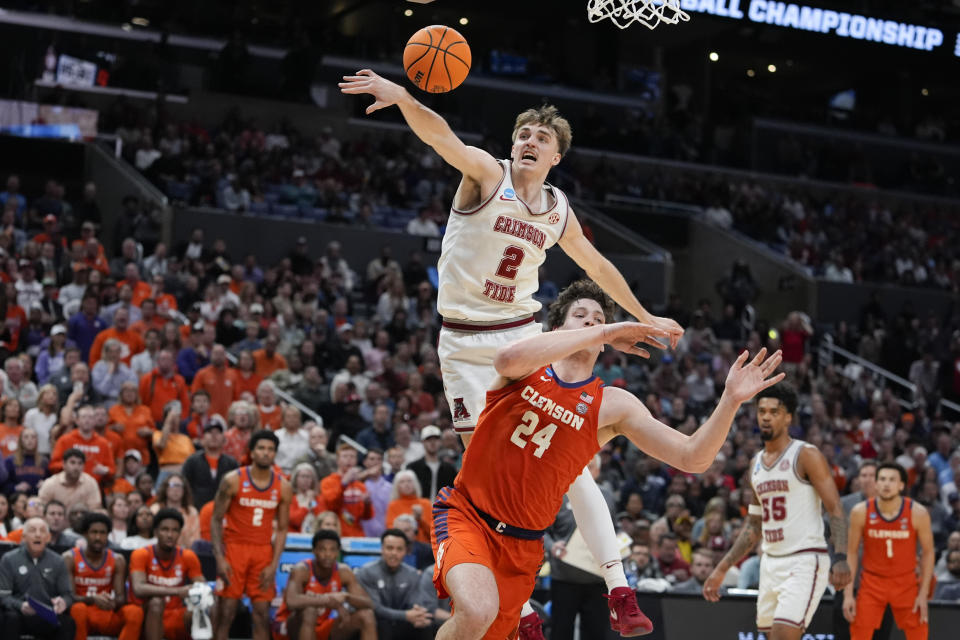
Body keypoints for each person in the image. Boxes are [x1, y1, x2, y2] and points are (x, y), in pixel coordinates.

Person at [341, 72, 684, 637]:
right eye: (522, 133)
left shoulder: (557, 210)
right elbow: (441, 137)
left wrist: (642, 316)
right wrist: (404, 98)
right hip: (462, 343)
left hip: (519, 335)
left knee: (567, 459)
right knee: (486, 473)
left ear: (555, 156)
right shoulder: (485, 175)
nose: (527, 141)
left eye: (540, 138)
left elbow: (597, 269)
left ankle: (619, 587)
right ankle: (521, 611)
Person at [428, 280, 781, 639]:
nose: (590, 322)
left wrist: (731, 400)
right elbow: (506, 359)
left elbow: (693, 458)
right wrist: (608, 329)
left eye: (597, 319)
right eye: (579, 316)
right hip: (468, 515)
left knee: (480, 628)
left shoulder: (612, 404)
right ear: (558, 329)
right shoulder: (526, 365)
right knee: (477, 610)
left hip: (523, 547)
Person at [703, 383, 852, 640]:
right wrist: (721, 568)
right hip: (770, 563)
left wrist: (840, 556)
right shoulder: (755, 464)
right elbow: (753, 526)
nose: (766, 417)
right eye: (762, 411)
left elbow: (835, 508)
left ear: (788, 417)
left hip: (804, 559)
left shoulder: (806, 454)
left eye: (774, 411)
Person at [211, 429, 292, 640]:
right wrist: (219, 558)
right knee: (226, 612)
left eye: (271, 449)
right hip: (234, 549)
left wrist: (274, 565)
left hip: (263, 551)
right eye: (261, 448)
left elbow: (282, 529)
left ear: (275, 454)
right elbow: (216, 519)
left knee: (262, 615)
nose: (266, 453)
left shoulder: (283, 486)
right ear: (252, 452)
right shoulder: (233, 480)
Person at [843, 462, 935, 640]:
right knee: (859, 633)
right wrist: (848, 595)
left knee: (919, 633)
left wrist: (923, 594)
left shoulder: (918, 513)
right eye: (882, 479)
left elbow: (929, 552)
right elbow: (852, 552)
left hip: (906, 582)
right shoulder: (860, 512)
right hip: (872, 582)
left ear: (901, 485)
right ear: (876, 484)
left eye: (892, 480)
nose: (886, 484)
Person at [273, 529, 376, 640]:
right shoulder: (302, 570)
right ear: (314, 551)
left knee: (367, 615)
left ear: (338, 552)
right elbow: (291, 602)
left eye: (332, 550)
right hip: (289, 627)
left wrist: (346, 597)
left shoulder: (343, 572)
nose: (328, 554)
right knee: (310, 611)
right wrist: (329, 600)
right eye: (322, 549)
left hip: (321, 626)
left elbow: (369, 604)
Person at [129, 508, 206, 640]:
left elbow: (201, 587)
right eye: (165, 529)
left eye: (175, 530)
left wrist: (200, 591)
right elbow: (138, 588)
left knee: (206, 606)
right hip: (148, 617)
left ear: (179, 533)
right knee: (156, 603)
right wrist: (177, 591)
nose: (170, 535)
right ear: (156, 532)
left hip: (176, 614)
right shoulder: (141, 554)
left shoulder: (188, 556)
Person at [65, 512, 143, 640]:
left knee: (135, 612)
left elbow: (121, 598)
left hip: (106, 613)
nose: (98, 537)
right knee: (77, 609)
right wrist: (93, 599)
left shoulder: (117, 560)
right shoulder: (70, 558)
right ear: (85, 534)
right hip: (83, 616)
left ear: (108, 535)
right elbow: (69, 597)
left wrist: (113, 602)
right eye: (93, 532)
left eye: (102, 533)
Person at [0, 517, 75, 639]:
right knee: (9, 618)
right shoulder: (9, 559)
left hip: (47, 614)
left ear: (48, 537)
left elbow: (68, 595)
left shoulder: (58, 561)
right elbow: (3, 595)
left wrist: (63, 603)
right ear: (23, 537)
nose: (38, 535)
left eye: (42, 531)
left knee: (68, 623)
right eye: (33, 530)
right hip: (19, 613)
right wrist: (21, 606)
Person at [356, 528, 433, 640]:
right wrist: (406, 615)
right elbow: (375, 608)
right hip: (377, 623)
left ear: (406, 551)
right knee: (384, 625)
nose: (394, 553)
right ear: (382, 549)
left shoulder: (412, 574)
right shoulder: (366, 572)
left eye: (399, 549)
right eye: (389, 548)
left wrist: (418, 614)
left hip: (402, 623)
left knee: (426, 625)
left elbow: (414, 603)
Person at [180, 419, 238, 508]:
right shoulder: (192, 461)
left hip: (225, 512)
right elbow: (184, 486)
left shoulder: (232, 463)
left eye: (217, 432)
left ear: (224, 439)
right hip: (197, 510)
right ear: (202, 439)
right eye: (209, 432)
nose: (214, 436)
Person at [320, 443, 374, 537]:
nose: (349, 459)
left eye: (352, 456)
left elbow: (367, 516)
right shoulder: (327, 482)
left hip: (357, 536)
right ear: (337, 460)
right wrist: (343, 483)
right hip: (335, 534)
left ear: (356, 460)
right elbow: (331, 506)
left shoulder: (360, 485)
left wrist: (367, 504)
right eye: (345, 456)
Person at [37, 447, 102, 510]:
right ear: (64, 464)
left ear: (84, 466)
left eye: (80, 463)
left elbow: (94, 509)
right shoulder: (51, 483)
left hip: (84, 520)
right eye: (72, 463)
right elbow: (40, 506)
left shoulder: (90, 483)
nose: (76, 467)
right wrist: (32, 503)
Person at [407, 425, 456, 502]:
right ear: (423, 442)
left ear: (440, 442)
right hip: (419, 510)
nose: (432, 443)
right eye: (428, 440)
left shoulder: (449, 469)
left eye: (436, 439)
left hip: (443, 511)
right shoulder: (412, 468)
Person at [386, 470, 433, 544]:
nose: (406, 484)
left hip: (424, 547)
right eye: (402, 482)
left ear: (415, 484)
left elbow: (433, 532)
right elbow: (391, 530)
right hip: (400, 547)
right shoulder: (393, 505)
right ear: (397, 486)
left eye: (409, 481)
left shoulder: (426, 503)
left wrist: (420, 519)